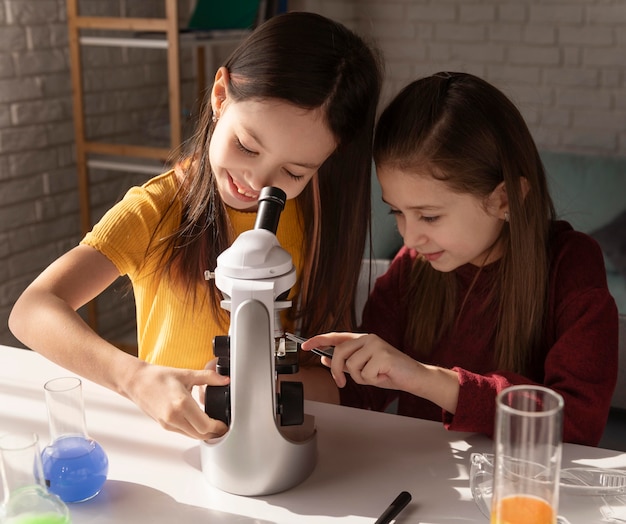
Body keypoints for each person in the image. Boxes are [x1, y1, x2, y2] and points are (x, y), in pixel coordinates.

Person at [9, 12, 383, 441]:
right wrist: (134, 378)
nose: (257, 183)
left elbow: (328, 386)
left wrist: (261, 383)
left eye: (294, 173)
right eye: (246, 145)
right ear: (220, 95)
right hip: (172, 446)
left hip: (270, 444)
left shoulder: (318, 220)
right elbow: (32, 310)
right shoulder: (158, 209)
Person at [302, 72, 618, 446]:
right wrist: (265, 386)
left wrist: (425, 378)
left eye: (430, 216)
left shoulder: (571, 265)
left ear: (504, 199)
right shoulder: (413, 265)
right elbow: (358, 393)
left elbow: (577, 424)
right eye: (396, 213)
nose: (409, 236)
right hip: (426, 487)